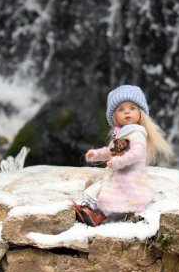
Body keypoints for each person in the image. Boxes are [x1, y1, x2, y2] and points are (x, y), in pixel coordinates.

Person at [73, 85, 172, 227]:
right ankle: (88, 210)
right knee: (102, 189)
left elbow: (137, 153)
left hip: (131, 177)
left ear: (140, 112)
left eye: (132, 108)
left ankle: (96, 217)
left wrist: (120, 162)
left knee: (111, 195)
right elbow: (112, 151)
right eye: (121, 109)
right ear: (115, 117)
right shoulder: (123, 132)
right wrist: (96, 154)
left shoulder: (137, 133)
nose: (127, 112)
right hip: (121, 173)